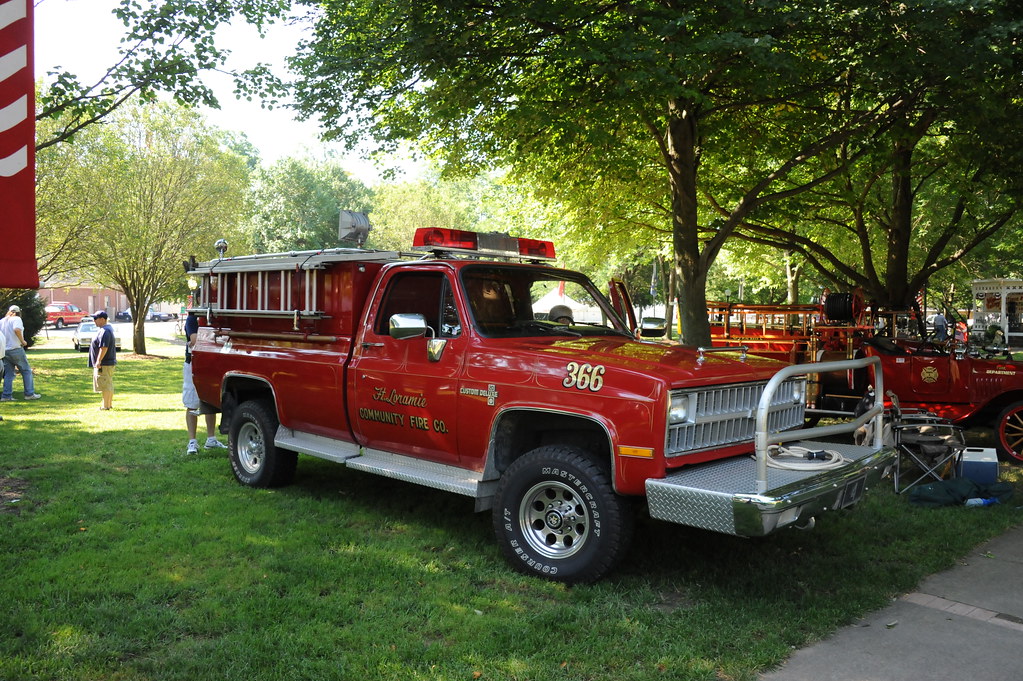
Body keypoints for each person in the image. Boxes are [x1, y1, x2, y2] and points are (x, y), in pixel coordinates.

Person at [182, 311, 227, 454]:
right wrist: (213, 339)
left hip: (210, 363)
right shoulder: (192, 319)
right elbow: (194, 340)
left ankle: (211, 439)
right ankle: (192, 442)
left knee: (210, 402)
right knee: (191, 403)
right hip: (193, 363)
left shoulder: (213, 317)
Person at [0, 305, 41, 402]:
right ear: (18, 312)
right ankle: (29, 393)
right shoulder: (16, 319)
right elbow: (17, 329)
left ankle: (6, 395)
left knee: (9, 374)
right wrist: (23, 341)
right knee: (26, 371)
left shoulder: (2, 321)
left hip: (5, 350)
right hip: (16, 349)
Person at [88, 310, 117, 410]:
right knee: (107, 383)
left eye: (95, 319)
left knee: (105, 384)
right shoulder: (105, 330)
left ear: (102, 319)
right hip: (107, 363)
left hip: (105, 363)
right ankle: (108, 404)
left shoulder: (105, 331)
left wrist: (98, 360)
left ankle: (106, 406)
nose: (94, 321)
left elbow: (104, 348)